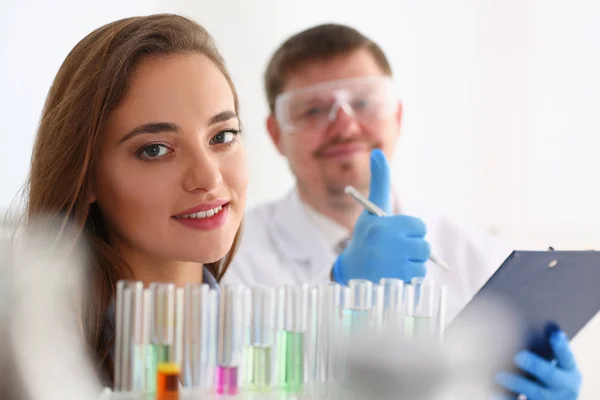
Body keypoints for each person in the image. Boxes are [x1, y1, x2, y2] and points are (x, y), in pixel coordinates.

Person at [224, 23, 582, 399]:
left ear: (396, 115)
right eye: (314, 110)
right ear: (277, 134)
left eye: (363, 102)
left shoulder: (479, 256)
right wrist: (338, 286)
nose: (344, 126)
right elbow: (234, 384)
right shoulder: (232, 259)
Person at [21, 14, 246, 385]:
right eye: (156, 149)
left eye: (222, 137)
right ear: (87, 175)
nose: (208, 178)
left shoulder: (280, 343)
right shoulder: (38, 363)